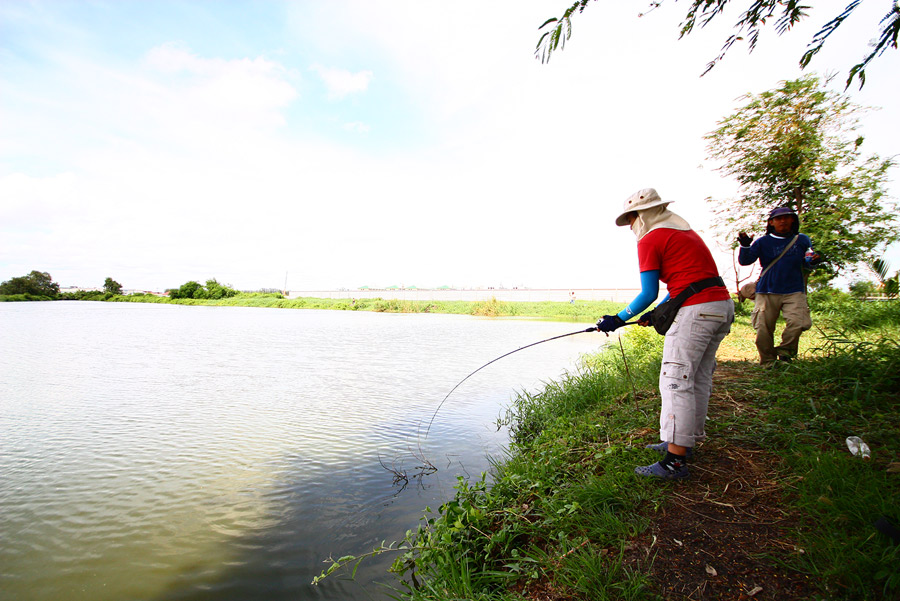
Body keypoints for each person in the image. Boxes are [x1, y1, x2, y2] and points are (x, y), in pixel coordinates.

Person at [596, 188, 734, 480]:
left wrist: (616, 319)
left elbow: (648, 293)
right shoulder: (682, 233)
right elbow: (687, 282)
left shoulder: (651, 238)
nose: (631, 226)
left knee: (675, 380)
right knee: (697, 378)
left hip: (697, 311)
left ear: (641, 215)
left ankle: (675, 462)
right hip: (720, 306)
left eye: (631, 219)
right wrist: (655, 315)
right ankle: (686, 441)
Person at [737, 206, 820, 366]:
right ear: (771, 222)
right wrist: (746, 246)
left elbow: (807, 262)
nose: (783, 221)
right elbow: (745, 261)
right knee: (763, 328)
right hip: (767, 290)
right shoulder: (763, 242)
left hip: (794, 290)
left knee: (799, 322)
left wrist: (814, 261)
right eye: (779, 218)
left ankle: (785, 354)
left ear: (793, 221)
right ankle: (768, 361)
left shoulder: (802, 240)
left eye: (787, 218)